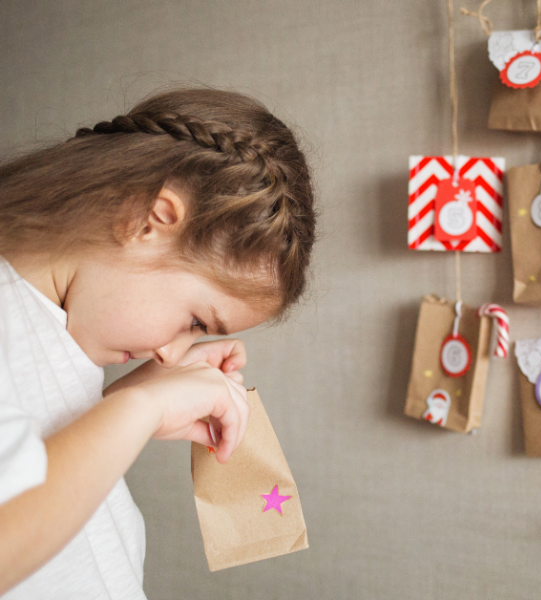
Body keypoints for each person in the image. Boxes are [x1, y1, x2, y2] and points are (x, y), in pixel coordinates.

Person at [0, 88, 316, 598]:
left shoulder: (51, 328)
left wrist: (121, 402)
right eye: (195, 320)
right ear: (148, 219)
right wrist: (143, 408)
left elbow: (21, 456)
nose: (171, 353)